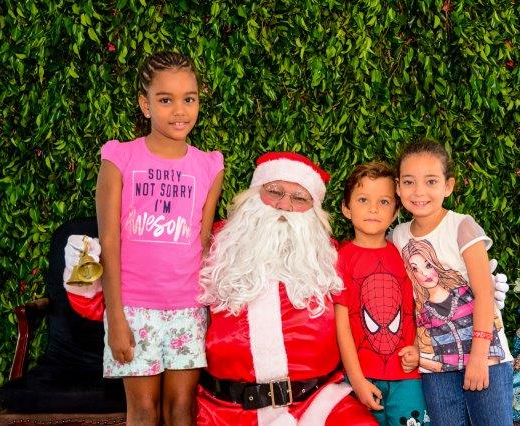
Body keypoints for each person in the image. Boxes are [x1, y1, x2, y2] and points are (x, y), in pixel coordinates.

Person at [197, 152, 378, 425]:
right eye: (274, 192)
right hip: (224, 410)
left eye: (299, 198)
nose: (284, 205)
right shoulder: (218, 245)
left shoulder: (331, 256)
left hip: (317, 404)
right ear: (254, 195)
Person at [96, 51, 224, 426]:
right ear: (145, 104)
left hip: (188, 307)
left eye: (189, 98)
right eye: (166, 100)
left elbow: (203, 243)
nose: (180, 111)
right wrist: (116, 316)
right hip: (133, 308)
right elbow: (109, 243)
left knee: (182, 409)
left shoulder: (209, 166)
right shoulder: (119, 158)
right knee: (143, 411)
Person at [390, 138, 513, 426]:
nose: (419, 191)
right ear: (397, 187)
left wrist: (478, 357)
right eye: (409, 182)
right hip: (435, 364)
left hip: (485, 357)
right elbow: (412, 301)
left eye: (431, 181)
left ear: (448, 186)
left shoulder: (462, 227)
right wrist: (415, 346)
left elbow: (484, 294)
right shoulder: (398, 236)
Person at [334, 162, 429, 426]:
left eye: (384, 201)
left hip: (408, 376)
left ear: (396, 211)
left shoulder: (405, 254)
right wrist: (356, 380)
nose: (373, 209)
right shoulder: (341, 259)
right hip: (361, 376)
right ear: (346, 208)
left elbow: (422, 306)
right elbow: (342, 327)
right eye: (363, 199)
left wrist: (419, 348)